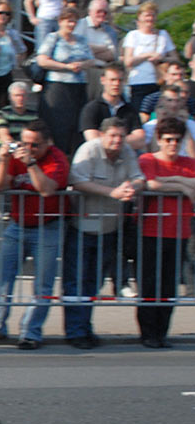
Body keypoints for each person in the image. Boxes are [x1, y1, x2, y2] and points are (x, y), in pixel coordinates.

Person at [0, 120, 69, 349]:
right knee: (2, 275)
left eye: (35, 145)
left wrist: (31, 163)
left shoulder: (57, 159)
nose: (29, 148)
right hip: (18, 224)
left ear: (48, 143)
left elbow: (47, 189)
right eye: (25, 143)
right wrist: (4, 160)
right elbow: (0, 185)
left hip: (47, 226)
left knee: (43, 284)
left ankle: (31, 332)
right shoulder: (16, 156)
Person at [64, 118, 143, 349]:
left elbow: (140, 178)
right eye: (112, 136)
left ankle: (85, 327)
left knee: (94, 283)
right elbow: (77, 181)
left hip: (109, 229)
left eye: (121, 136)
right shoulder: (88, 150)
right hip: (82, 228)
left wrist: (131, 188)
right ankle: (75, 332)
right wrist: (112, 192)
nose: (117, 141)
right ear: (102, 135)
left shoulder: (127, 151)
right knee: (76, 282)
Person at [136, 116, 195, 347]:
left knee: (169, 286)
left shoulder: (189, 162)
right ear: (159, 140)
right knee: (150, 284)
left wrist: (175, 179)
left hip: (179, 233)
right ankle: (148, 333)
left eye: (177, 140)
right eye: (168, 139)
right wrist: (182, 185)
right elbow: (152, 184)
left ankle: (162, 332)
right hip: (151, 232)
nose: (173, 144)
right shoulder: (148, 159)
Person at [36, 8, 95, 154]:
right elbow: (42, 60)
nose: (72, 24)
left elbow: (91, 60)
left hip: (78, 87)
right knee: (58, 125)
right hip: (57, 87)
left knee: (76, 124)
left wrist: (81, 65)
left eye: (74, 21)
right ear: (60, 21)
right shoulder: (53, 38)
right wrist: (65, 67)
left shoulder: (81, 39)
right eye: (69, 21)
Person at [122, 2, 176, 109]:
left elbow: (175, 58)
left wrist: (162, 58)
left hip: (158, 81)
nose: (150, 18)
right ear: (140, 17)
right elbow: (128, 61)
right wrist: (147, 55)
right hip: (138, 82)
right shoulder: (133, 35)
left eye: (153, 15)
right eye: (147, 15)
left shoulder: (163, 35)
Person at [80, 62, 144, 150]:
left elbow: (140, 140)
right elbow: (93, 141)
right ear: (103, 80)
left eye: (120, 80)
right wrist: (123, 140)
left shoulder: (130, 109)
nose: (116, 84)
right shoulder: (91, 108)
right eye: (112, 80)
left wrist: (110, 141)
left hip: (124, 156)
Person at [74, 0, 121, 105]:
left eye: (105, 12)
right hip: (84, 71)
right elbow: (78, 50)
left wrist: (89, 49)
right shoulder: (79, 25)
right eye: (99, 11)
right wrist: (103, 48)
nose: (102, 14)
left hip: (102, 71)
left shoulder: (110, 31)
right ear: (90, 11)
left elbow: (112, 55)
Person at [0, 0, 27, 110]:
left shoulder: (12, 34)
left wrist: (16, 64)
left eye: (7, 13)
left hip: (5, 74)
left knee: (3, 107)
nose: (3, 16)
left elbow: (22, 51)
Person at [0, 80, 38, 149]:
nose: (20, 98)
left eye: (23, 95)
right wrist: (16, 146)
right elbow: (4, 136)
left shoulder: (34, 115)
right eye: (17, 95)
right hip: (7, 148)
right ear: (10, 97)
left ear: (27, 97)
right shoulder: (2, 114)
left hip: (27, 149)